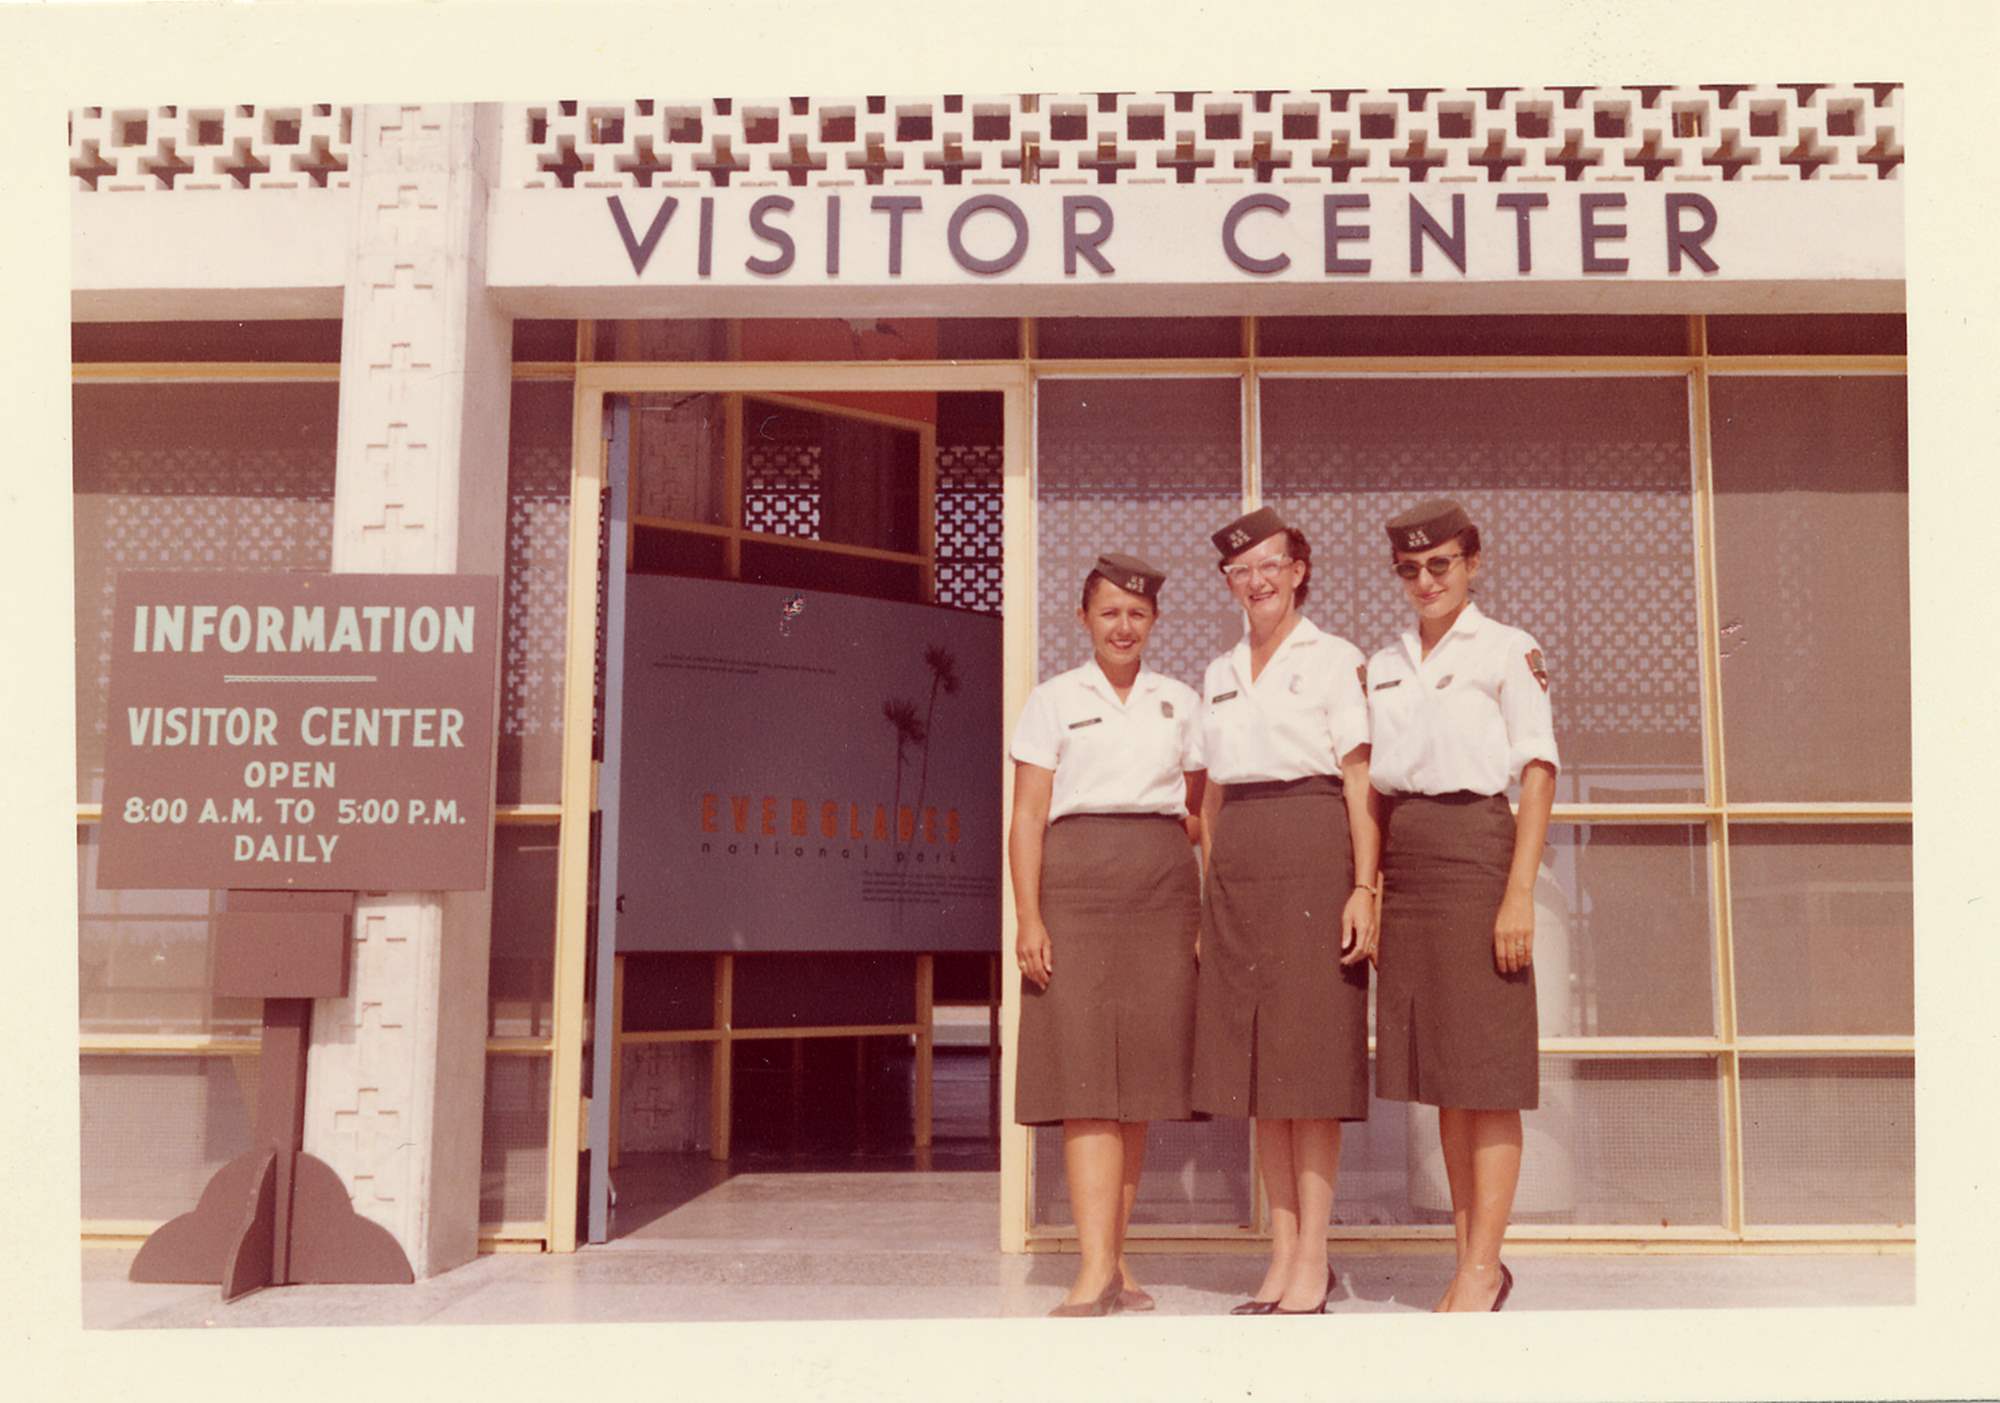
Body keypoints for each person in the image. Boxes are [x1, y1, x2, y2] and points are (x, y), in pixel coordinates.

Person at [1365, 497, 1559, 1314]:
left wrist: (1518, 892)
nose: (1425, 581)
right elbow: (1373, 788)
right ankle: (1468, 1257)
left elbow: (1540, 770)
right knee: (1446, 1075)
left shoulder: (1508, 650)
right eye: (1410, 569)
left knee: (1490, 1073)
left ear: (1471, 564)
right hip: (1408, 863)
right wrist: (1371, 888)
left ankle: (1485, 1265)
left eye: (1440, 564)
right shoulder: (1382, 661)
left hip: (1479, 853)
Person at [1189, 507, 1380, 1316]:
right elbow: (1210, 792)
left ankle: (1315, 1257)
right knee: (1261, 1074)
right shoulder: (1219, 670)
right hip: (1240, 860)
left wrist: (1364, 886)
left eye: (1271, 565)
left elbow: (1361, 780)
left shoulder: (1336, 659)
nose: (1257, 581)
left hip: (1312, 848)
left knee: (1308, 1066)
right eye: (1241, 571)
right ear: (1229, 583)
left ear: (1299, 569)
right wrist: (1210, 890)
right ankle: (1280, 1255)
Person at [1008, 552, 1206, 1317]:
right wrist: (1029, 915)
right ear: (1084, 618)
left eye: (1137, 614)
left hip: (1160, 889)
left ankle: (1116, 1264)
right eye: (1109, 613)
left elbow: (1196, 808)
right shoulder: (1054, 700)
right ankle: (1092, 1270)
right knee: (1088, 1076)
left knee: (1141, 1085)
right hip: (1078, 889)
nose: (1123, 627)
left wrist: (1200, 911)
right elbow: (1027, 816)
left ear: (1154, 622)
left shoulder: (1179, 701)